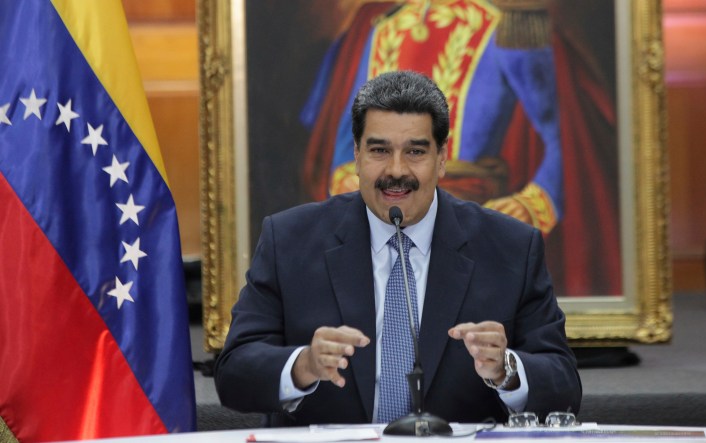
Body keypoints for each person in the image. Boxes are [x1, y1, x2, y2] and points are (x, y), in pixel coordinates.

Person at [215, 71, 581, 426]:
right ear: (356, 156)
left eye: (415, 151)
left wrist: (506, 370)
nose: (396, 170)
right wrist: (304, 366)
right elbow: (234, 374)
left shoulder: (510, 247)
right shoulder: (290, 239)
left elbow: (564, 387)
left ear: (441, 158)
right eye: (379, 150)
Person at [300, 0, 622, 296]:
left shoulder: (509, 28)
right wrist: (350, 184)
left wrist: (528, 205)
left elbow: (562, 139)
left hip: (468, 219)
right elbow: (348, 146)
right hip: (383, 216)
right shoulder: (382, 28)